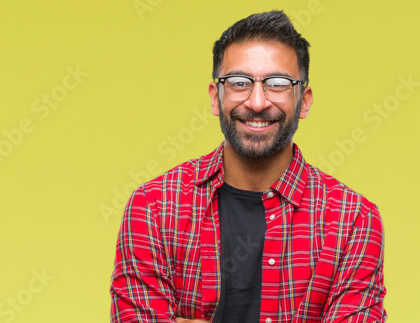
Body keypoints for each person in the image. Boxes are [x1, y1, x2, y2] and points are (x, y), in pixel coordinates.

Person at [110, 10, 386, 323]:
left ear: (304, 101)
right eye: (239, 83)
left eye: (278, 83)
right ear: (216, 98)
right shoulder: (153, 208)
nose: (257, 102)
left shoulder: (353, 220)